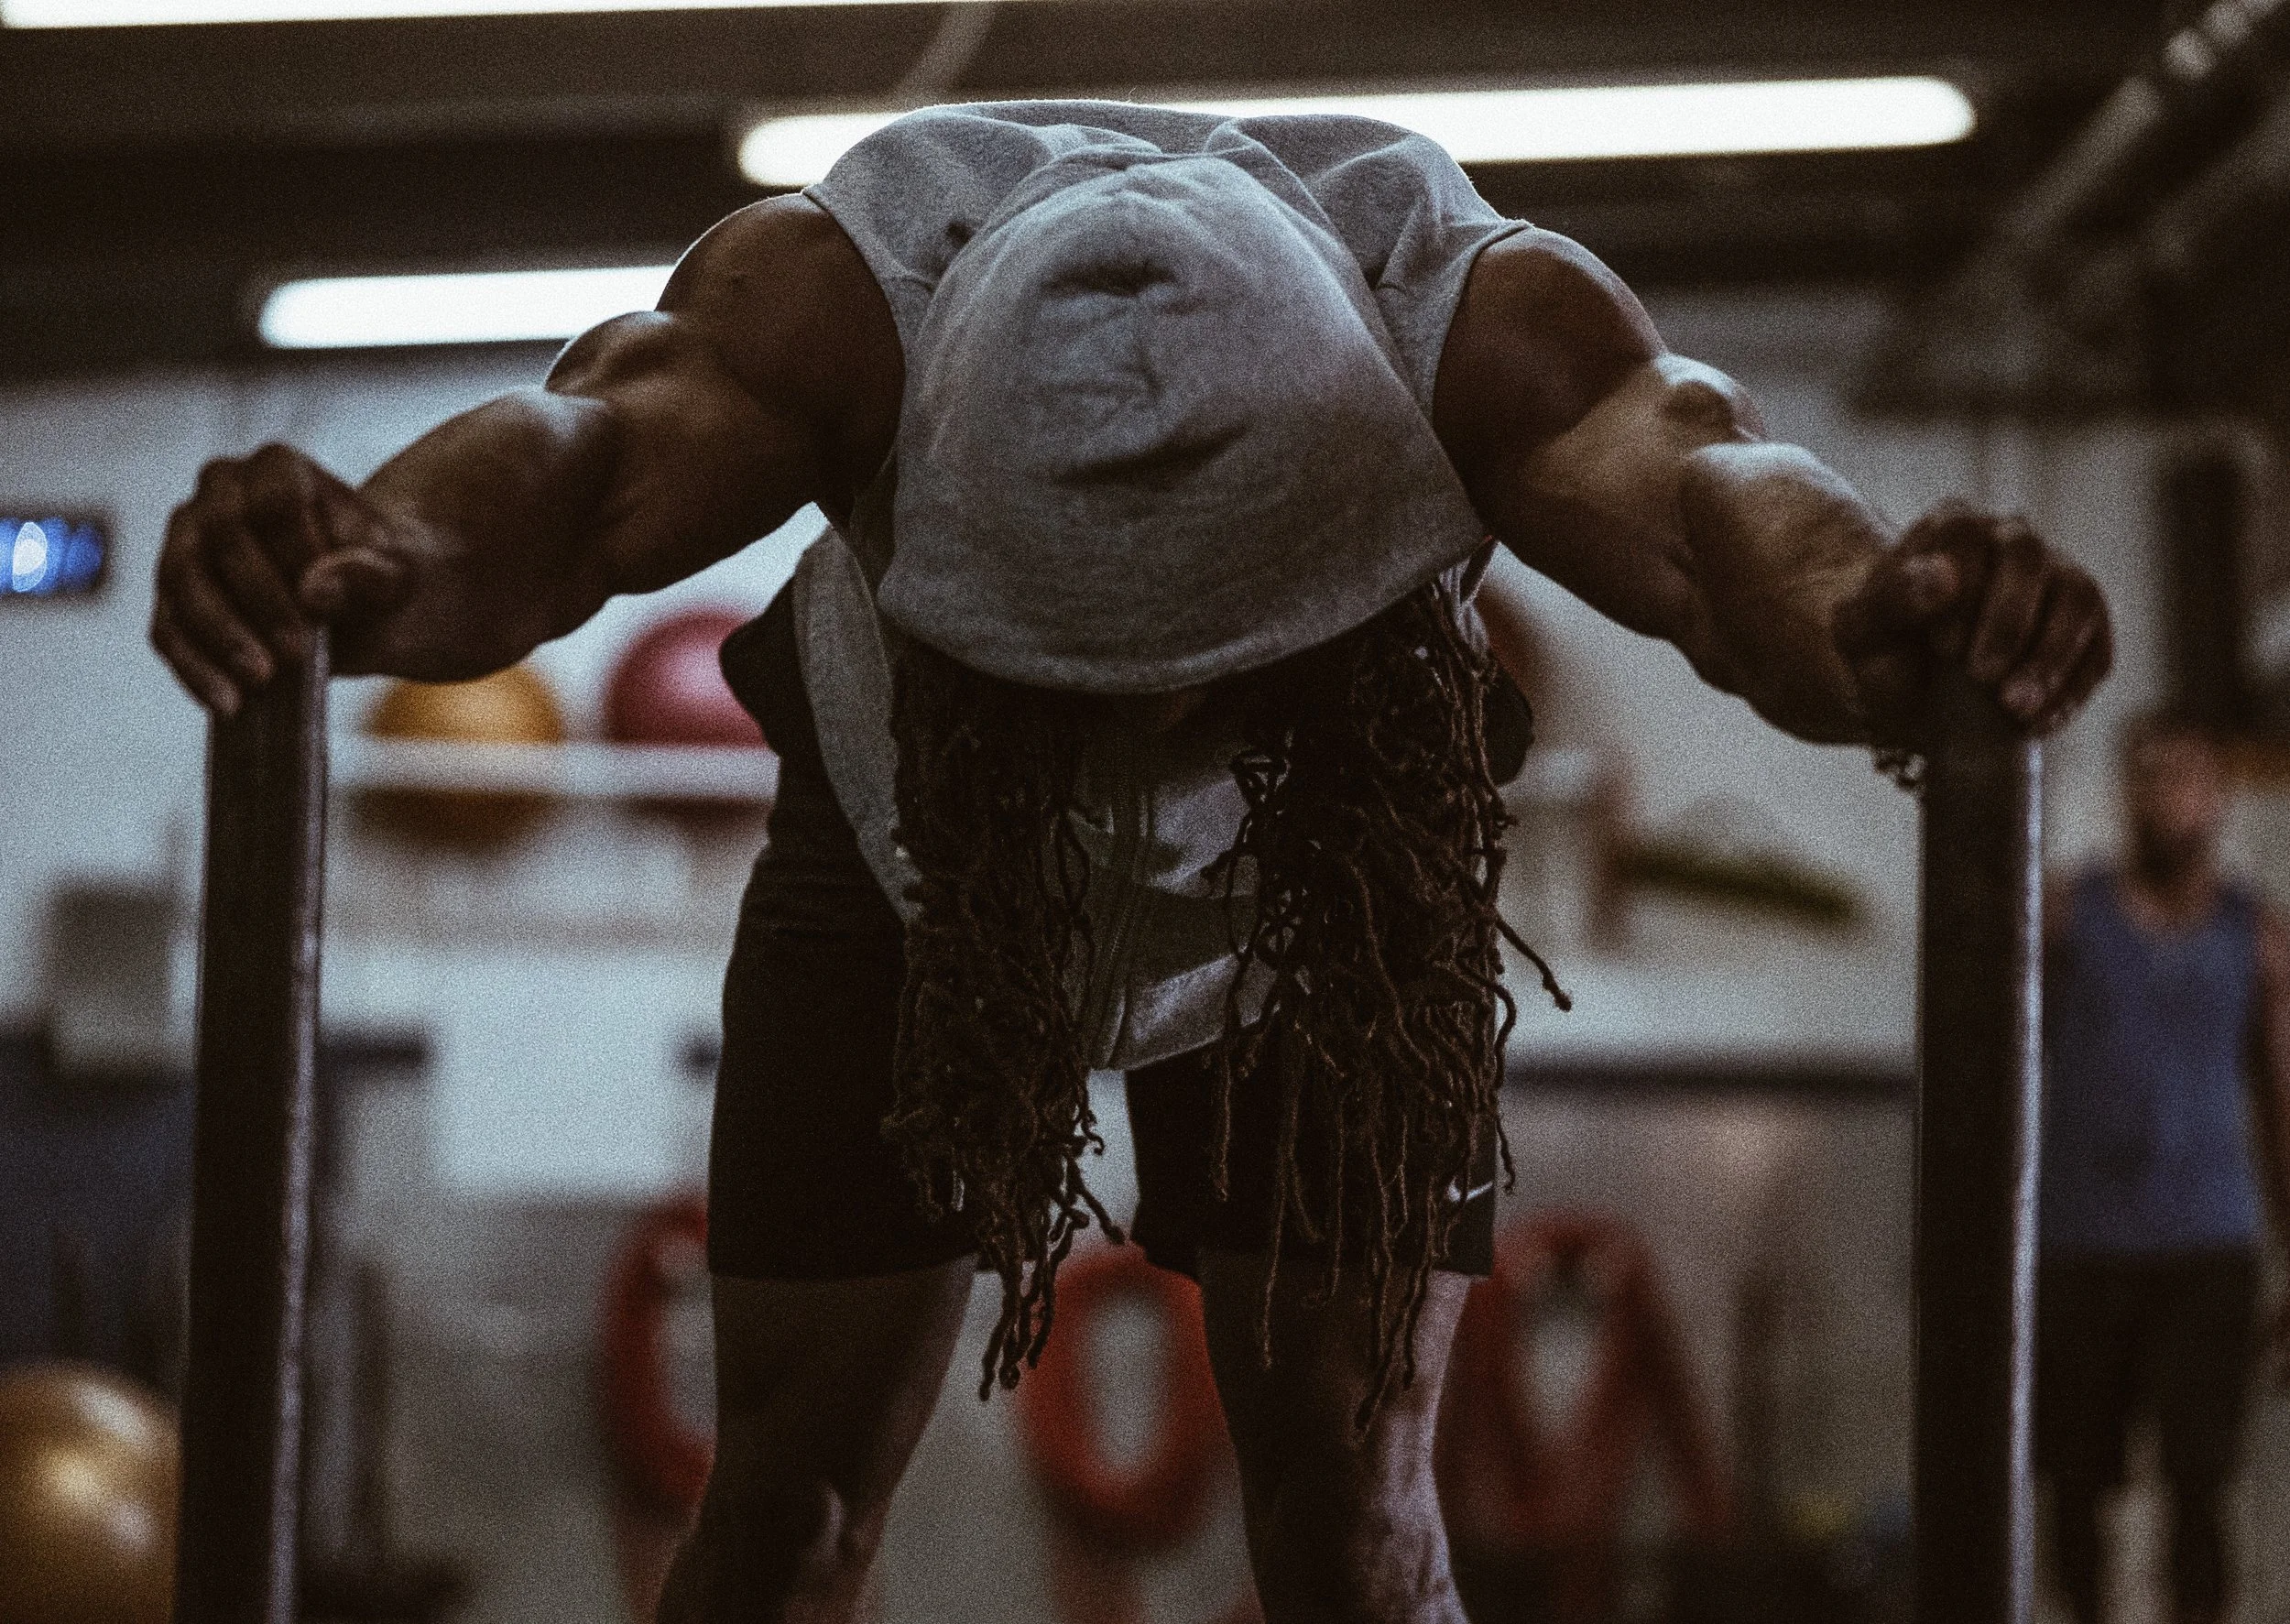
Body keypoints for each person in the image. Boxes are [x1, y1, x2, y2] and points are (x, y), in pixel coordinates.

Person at [150, 104, 2110, 1623]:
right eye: (1085, 679)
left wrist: (1876, 611)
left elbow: (1702, 505)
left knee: (1357, 1529)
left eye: (1201, 680)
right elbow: (571, 481)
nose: (1144, 737)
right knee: (784, 1507)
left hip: (1347, 860)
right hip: (913, 836)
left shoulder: (1464, 321)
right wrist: (368, 555)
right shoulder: (842, 303)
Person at [2039, 714, 2290, 1624]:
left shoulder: (2255, 936)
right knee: (2075, 1481)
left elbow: (2281, 1102)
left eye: (2184, 776)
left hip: (2207, 1249)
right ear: (2124, 795)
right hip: (2080, 1246)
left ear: (2217, 797)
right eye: (2144, 776)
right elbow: (1996, 1073)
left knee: (2198, 1484)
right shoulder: (2069, 915)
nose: (2164, 795)